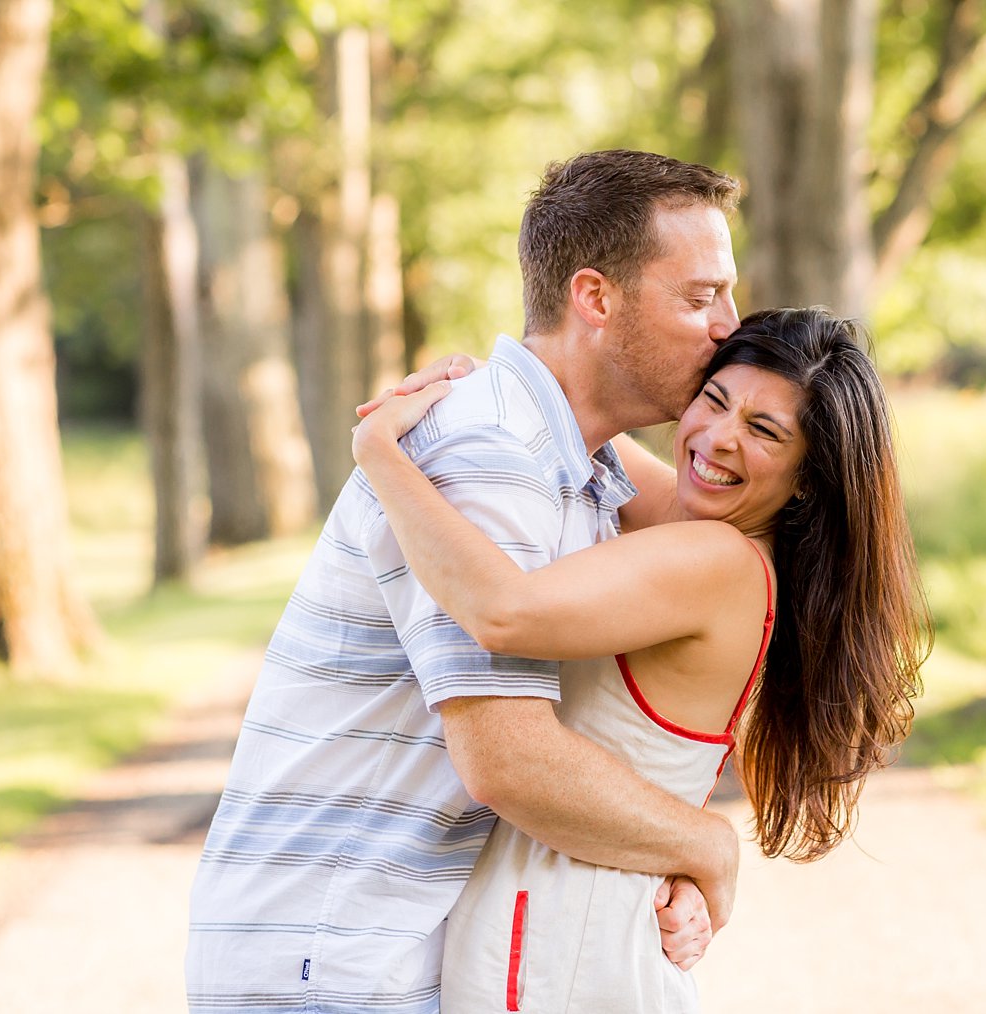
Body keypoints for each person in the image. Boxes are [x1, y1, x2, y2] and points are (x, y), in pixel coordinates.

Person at [186, 150, 748, 1014]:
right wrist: (705, 847)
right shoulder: (488, 453)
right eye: (701, 296)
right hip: (332, 962)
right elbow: (507, 760)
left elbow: (741, 537)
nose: (727, 327)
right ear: (595, 298)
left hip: (371, 953)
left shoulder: (571, 457)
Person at [351, 307, 930, 1012]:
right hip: (583, 939)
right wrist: (482, 382)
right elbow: (584, 428)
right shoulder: (718, 538)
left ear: (807, 479)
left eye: (764, 431)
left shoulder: (713, 559)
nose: (718, 439)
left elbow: (505, 612)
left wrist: (381, 450)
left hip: (556, 954)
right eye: (714, 401)